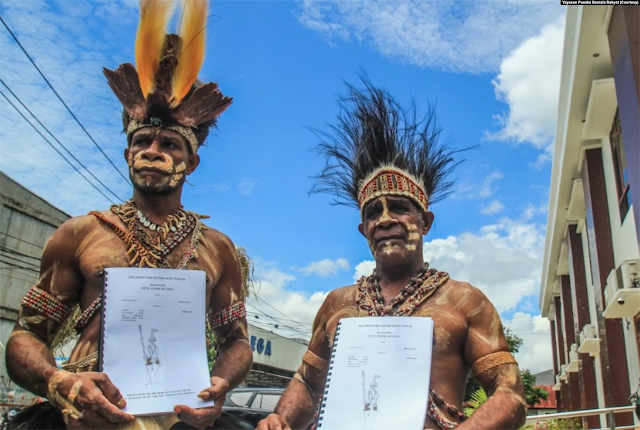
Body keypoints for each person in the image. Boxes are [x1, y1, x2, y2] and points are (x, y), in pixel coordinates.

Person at [4, 1, 253, 429]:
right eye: (143, 142)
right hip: (87, 419)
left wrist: (221, 382)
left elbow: (237, 342)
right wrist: (58, 380)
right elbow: (26, 335)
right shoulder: (80, 234)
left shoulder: (217, 249)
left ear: (191, 163)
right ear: (127, 154)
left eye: (170, 145)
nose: (153, 152)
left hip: (183, 416)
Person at [256, 79, 527, 430]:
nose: (384, 220)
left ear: (425, 221)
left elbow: (510, 394)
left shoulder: (464, 302)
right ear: (363, 229)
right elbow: (308, 382)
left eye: (399, 208)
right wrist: (280, 418)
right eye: (372, 213)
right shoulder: (337, 304)